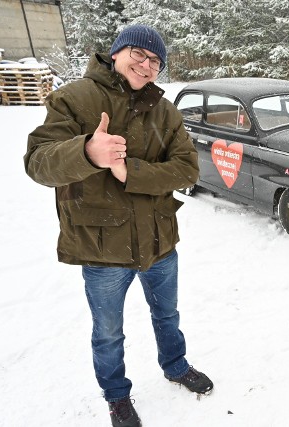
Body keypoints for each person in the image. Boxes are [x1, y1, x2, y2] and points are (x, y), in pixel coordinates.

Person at [24, 24, 212, 427]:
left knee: (167, 315)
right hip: (102, 247)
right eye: (139, 55)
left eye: (156, 61)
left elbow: (186, 168)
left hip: (160, 242)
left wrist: (132, 172)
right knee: (108, 332)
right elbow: (38, 162)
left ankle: (175, 366)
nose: (146, 66)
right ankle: (116, 395)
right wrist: (87, 151)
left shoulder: (166, 111)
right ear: (117, 53)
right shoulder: (73, 99)